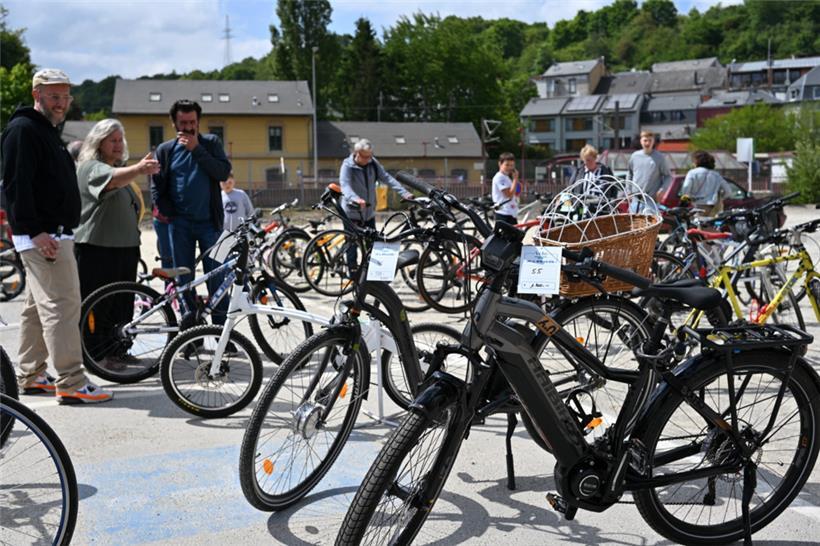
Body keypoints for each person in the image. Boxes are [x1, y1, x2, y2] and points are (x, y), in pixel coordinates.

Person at [0, 68, 112, 403]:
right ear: (37, 95)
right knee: (62, 307)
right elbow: (15, 185)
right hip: (44, 237)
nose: (61, 103)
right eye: (53, 96)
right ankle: (72, 381)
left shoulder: (43, 130)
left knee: (38, 308)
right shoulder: (23, 130)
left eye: (65, 96)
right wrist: (35, 231)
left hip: (49, 234)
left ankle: (32, 373)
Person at [74, 119, 160, 370]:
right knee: (97, 304)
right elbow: (111, 181)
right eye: (112, 140)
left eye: (120, 139)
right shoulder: (91, 167)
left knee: (122, 303)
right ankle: (94, 354)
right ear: (98, 143)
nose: (118, 144)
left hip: (124, 247)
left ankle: (117, 350)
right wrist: (139, 169)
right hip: (98, 248)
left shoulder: (119, 169)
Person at [150, 99, 232, 325]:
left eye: (192, 122)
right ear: (174, 123)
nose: (188, 127)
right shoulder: (165, 150)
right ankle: (192, 333)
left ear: (198, 121)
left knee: (217, 278)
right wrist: (170, 214)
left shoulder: (211, 143)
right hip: (179, 226)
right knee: (184, 282)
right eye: (183, 123)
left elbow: (222, 173)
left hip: (211, 224)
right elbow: (157, 187)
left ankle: (221, 331)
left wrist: (196, 149)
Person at [339, 138, 413, 271]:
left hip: (368, 213)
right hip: (352, 213)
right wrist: (355, 199)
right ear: (357, 153)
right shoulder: (347, 166)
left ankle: (371, 274)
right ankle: (353, 275)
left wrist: (404, 193)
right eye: (365, 157)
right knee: (352, 246)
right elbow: (345, 186)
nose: (368, 159)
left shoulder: (372, 163)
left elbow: (387, 178)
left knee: (372, 245)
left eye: (370, 156)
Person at [680, 150, 733, 217]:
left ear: (696, 161)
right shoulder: (716, 175)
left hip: (698, 206)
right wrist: (720, 198)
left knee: (697, 223)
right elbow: (728, 191)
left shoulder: (692, 173)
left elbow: (686, 188)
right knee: (712, 223)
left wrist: (686, 200)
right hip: (714, 207)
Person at [628, 131, 672, 200]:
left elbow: (668, 176)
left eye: (650, 140)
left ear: (653, 142)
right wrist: (628, 191)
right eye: (645, 140)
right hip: (635, 199)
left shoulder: (659, 157)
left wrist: (662, 190)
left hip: (651, 200)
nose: (647, 143)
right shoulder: (634, 156)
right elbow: (630, 174)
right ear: (641, 141)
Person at [491, 152, 520, 226]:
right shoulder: (499, 177)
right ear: (500, 164)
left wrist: (515, 181)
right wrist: (515, 179)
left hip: (510, 213)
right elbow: (509, 195)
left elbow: (515, 192)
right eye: (507, 165)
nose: (509, 168)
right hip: (503, 213)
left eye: (512, 165)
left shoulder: (506, 177)